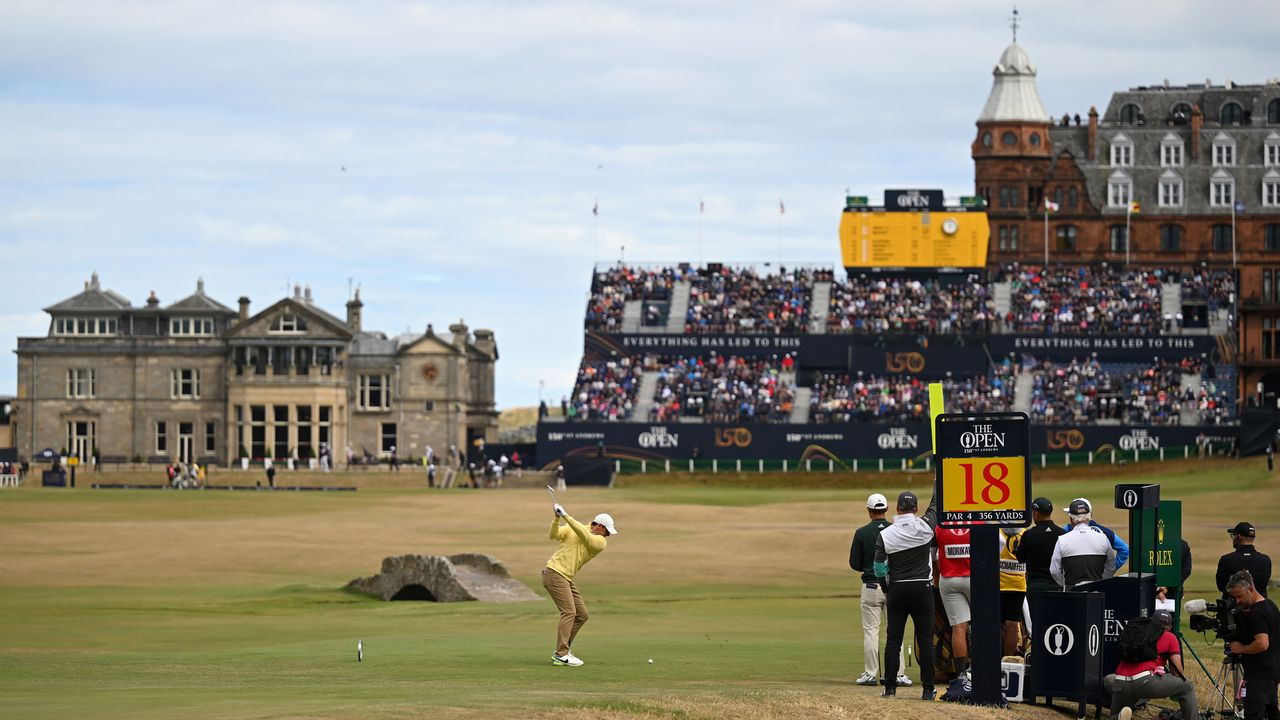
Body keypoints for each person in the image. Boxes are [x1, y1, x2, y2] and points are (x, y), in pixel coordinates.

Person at [874, 490, 939, 699]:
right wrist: (938, 481)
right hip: (922, 588)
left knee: (893, 640)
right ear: (916, 509)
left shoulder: (886, 534)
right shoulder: (926, 526)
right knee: (926, 640)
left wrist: (886, 589)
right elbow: (936, 505)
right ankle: (928, 690)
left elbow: (879, 569)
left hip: (898, 589)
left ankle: (890, 689)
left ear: (897, 508)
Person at [543, 500, 617, 667]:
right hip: (554, 573)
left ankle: (563, 650)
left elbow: (585, 536)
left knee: (581, 615)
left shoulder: (600, 542)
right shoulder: (574, 528)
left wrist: (566, 516)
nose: (608, 535)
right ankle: (561, 654)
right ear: (598, 526)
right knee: (569, 612)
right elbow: (553, 535)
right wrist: (556, 518)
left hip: (566, 578)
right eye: (607, 531)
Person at [849, 493, 909, 687]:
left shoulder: (861, 533)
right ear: (886, 510)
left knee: (871, 632)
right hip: (895, 586)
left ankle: (870, 674)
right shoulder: (896, 530)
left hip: (870, 586)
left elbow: (854, 563)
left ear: (869, 510)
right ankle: (898, 674)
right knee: (895, 631)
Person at [1105, 609, 1199, 720]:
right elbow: (1177, 672)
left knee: (1115, 715)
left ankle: (1119, 717)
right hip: (1145, 681)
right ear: (1169, 627)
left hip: (1120, 681)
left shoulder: (1136, 632)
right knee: (1186, 686)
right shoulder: (1170, 636)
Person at [1227, 570, 1280, 720]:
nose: (1237, 601)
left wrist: (1240, 648)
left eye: (1239, 596)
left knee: (1254, 714)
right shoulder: (1271, 605)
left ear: (1250, 589)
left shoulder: (1256, 613)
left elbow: (1262, 643)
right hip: (1272, 672)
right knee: (1272, 713)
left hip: (1258, 676)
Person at [1051, 499, 1117, 588]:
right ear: (1089, 517)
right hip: (1097, 591)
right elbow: (1111, 567)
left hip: (1071, 591)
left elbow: (1054, 570)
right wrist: (1101, 581)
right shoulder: (1103, 538)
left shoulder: (1062, 540)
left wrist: (1064, 584)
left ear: (1071, 519)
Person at [935, 525, 972, 678]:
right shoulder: (977, 522)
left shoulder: (941, 525)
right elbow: (1001, 541)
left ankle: (962, 674)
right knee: (981, 625)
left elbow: (933, 555)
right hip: (973, 576)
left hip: (949, 578)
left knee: (958, 626)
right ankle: (980, 669)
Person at [1060, 498, 1129, 573]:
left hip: (1074, 577)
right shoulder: (1105, 531)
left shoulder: (1067, 529)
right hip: (1099, 577)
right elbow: (1124, 549)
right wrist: (1109, 571)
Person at [1016, 497, 1066, 593]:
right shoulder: (1062, 534)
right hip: (1056, 586)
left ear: (1036, 513)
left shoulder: (1029, 534)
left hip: (1035, 586)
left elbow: (1020, 559)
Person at [1218, 522, 1273, 599]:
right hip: (1259, 607)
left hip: (1233, 608)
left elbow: (1221, 587)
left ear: (1238, 537)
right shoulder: (1265, 560)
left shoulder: (1226, 560)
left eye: (1233, 535)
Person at [999, 526, 1028, 656]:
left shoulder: (997, 531)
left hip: (998, 585)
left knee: (996, 623)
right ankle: (1008, 661)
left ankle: (995, 659)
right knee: (1012, 625)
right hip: (1018, 586)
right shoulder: (1025, 533)